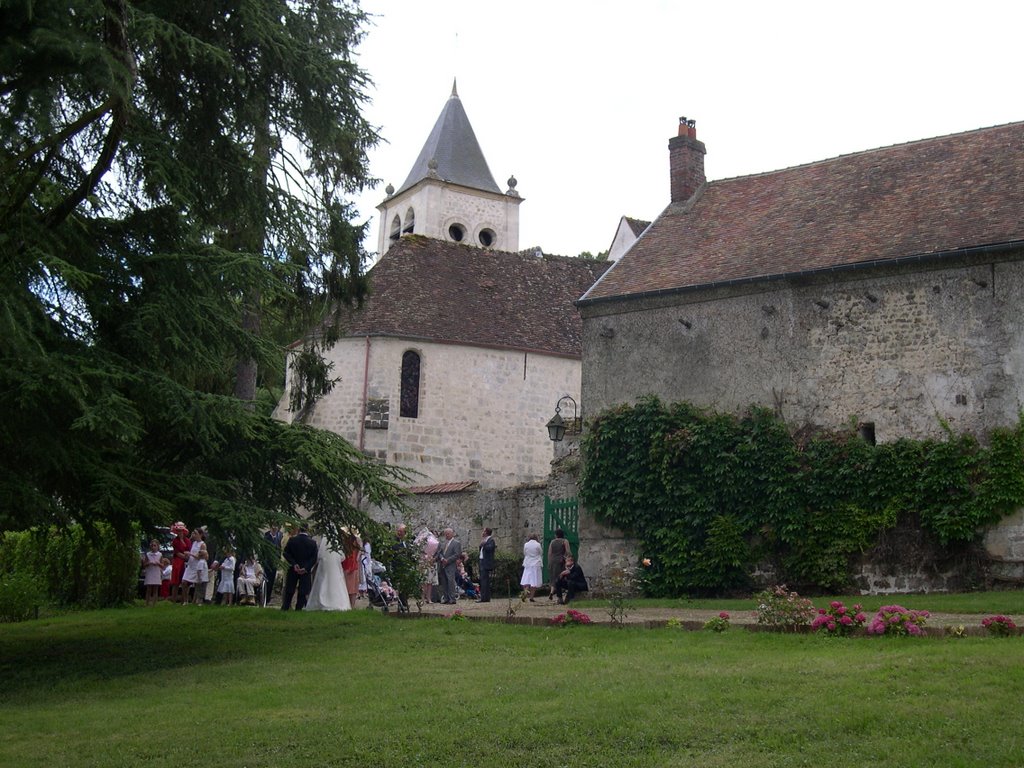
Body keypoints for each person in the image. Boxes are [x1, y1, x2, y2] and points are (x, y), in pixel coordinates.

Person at [306, 532, 351, 612]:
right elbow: (342, 557)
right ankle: (337, 603)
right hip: (335, 567)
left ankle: (320, 602)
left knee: (323, 582)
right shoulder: (336, 542)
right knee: (337, 583)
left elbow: (319, 555)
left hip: (324, 566)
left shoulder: (324, 541)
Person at [281, 524, 318, 611]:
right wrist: (306, 567)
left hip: (293, 568)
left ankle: (286, 606)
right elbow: (314, 558)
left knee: (290, 589)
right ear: (307, 530)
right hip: (305, 570)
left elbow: (286, 553)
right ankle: (299, 608)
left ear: (299, 530)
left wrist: (294, 564)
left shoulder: (292, 540)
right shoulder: (312, 543)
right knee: (303, 590)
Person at [435, 527, 462, 604]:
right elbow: (439, 552)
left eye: (448, 533)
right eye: (445, 534)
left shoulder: (456, 543)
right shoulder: (443, 543)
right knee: (444, 582)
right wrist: (442, 558)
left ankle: (452, 598)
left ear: (452, 534)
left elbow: (457, 554)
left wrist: (448, 560)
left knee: (451, 582)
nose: (446, 535)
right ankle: (446, 598)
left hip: (450, 565)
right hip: (443, 565)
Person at [169, 522, 191, 602]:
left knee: (185, 582)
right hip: (178, 561)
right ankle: (174, 600)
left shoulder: (187, 540)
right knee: (176, 582)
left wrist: (187, 557)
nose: (180, 532)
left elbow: (189, 549)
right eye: (178, 531)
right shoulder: (175, 541)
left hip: (186, 561)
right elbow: (177, 552)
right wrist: (185, 557)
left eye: (181, 531)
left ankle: (184, 600)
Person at [262, 524, 284, 605]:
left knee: (271, 581)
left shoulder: (280, 536)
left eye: (276, 527)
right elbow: (263, 549)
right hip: (267, 562)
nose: (274, 528)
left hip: (275, 562)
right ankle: (265, 597)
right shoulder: (267, 536)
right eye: (273, 527)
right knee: (267, 580)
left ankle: (268, 599)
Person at [547, 528, 570, 601]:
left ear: (556, 535)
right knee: (560, 577)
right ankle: (559, 596)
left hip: (552, 561)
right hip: (560, 561)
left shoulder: (552, 542)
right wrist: (567, 558)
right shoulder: (564, 541)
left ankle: (551, 592)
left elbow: (549, 553)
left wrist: (549, 562)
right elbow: (568, 551)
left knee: (553, 577)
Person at [520, 533, 544, 601]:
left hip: (528, 563)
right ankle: (531, 597)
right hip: (536, 563)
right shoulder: (538, 544)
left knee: (527, 579)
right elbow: (540, 552)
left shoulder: (526, 544)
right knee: (534, 580)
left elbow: (525, 553)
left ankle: (525, 593)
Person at [341, 529, 361, 607]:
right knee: (350, 587)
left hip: (351, 565)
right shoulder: (346, 542)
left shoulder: (355, 541)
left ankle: (351, 604)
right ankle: (350, 604)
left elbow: (358, 552)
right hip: (348, 564)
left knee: (352, 587)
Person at [141, 539, 163, 607]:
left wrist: (158, 563)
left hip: (156, 571)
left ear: (157, 546)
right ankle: (147, 603)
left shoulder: (160, 555)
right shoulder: (148, 554)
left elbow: (162, 565)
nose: (153, 547)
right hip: (150, 571)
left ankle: (154, 604)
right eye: (152, 545)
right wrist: (149, 563)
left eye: (155, 546)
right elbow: (144, 564)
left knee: (155, 589)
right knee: (149, 588)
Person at [477, 527, 496, 603]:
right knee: (483, 580)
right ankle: (485, 597)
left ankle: (484, 598)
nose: (482, 532)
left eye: (484, 531)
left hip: (486, 562)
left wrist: (484, 545)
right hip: (482, 560)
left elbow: (490, 548)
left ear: (486, 532)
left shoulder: (491, 540)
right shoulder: (484, 540)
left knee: (485, 581)